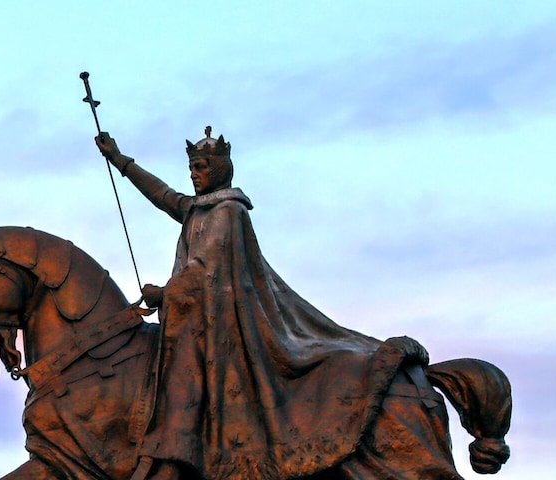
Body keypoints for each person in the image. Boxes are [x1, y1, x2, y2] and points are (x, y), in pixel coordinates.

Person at [95, 128, 419, 480]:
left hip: (228, 324)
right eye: (191, 168)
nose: (194, 174)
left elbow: (205, 271)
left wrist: (166, 293)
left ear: (219, 169)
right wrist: (118, 158)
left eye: (201, 167)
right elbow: (162, 195)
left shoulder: (228, 212)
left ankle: (179, 450)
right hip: (197, 317)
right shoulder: (196, 209)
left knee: (186, 370)